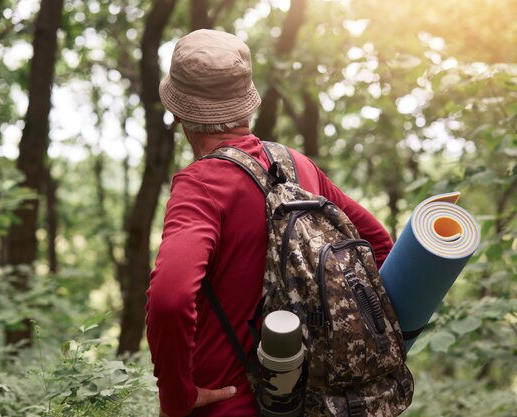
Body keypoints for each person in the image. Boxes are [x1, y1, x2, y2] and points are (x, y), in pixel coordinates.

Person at [145, 29, 394, 417]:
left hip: (229, 405)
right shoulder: (300, 169)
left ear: (179, 111)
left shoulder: (200, 186)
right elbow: (379, 247)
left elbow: (169, 299)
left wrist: (177, 396)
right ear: (247, 104)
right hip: (317, 403)